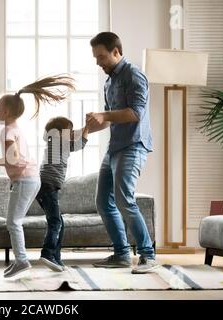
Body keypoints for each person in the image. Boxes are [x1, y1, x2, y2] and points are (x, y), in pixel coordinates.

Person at [0, 75, 75, 278]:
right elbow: (14, 157)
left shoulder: (6, 131)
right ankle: (22, 260)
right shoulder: (14, 128)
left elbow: (14, 160)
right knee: (14, 221)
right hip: (31, 179)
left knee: (13, 222)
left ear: (6, 111)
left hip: (25, 180)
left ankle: (22, 261)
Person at [86, 32, 158, 274]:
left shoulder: (133, 74)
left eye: (102, 57)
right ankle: (121, 254)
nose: (98, 63)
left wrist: (105, 115)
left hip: (133, 144)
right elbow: (108, 119)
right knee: (103, 201)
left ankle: (148, 255)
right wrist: (87, 128)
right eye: (96, 58)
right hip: (115, 146)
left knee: (124, 199)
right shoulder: (109, 81)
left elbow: (136, 113)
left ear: (116, 51)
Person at [36, 117, 88, 272]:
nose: (72, 133)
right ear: (60, 132)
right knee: (55, 222)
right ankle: (47, 253)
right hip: (48, 187)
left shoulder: (53, 141)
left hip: (45, 187)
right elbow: (80, 144)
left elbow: (74, 136)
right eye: (69, 131)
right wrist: (88, 128)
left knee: (59, 222)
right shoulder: (60, 143)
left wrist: (84, 127)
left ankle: (56, 258)